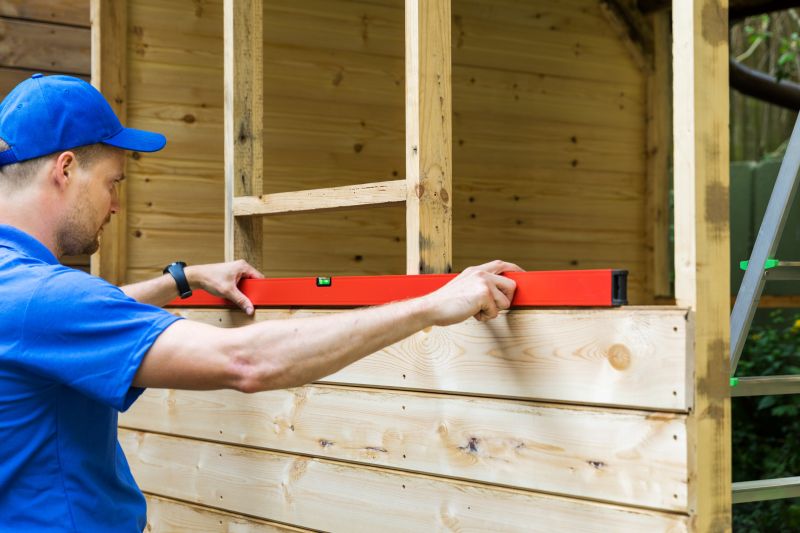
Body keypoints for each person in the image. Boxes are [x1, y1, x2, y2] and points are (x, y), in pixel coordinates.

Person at [0, 74, 522, 532]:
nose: (116, 203)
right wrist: (431, 303)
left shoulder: (20, 288)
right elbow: (247, 361)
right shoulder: (47, 299)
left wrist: (179, 280)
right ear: (65, 168)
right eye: (113, 182)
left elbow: (68, 320)